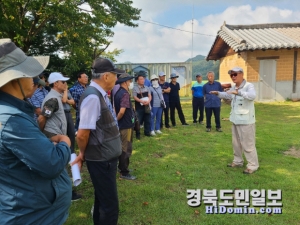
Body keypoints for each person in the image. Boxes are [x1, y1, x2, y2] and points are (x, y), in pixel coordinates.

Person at [0, 38, 72, 224]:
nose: (34, 78)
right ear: (14, 78)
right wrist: (64, 141)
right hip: (32, 215)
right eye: (27, 72)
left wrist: (42, 142)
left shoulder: (12, 112)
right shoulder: (13, 118)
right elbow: (51, 162)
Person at [72, 57, 123, 225]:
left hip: (105, 158)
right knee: (109, 206)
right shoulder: (93, 97)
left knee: (102, 200)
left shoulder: (98, 95)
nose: (117, 79)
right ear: (106, 76)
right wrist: (83, 154)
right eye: (115, 75)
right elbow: (82, 134)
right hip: (101, 160)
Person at [210, 67, 259, 174]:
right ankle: (237, 161)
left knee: (248, 144)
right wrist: (218, 93)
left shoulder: (249, 86)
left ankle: (253, 165)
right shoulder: (233, 87)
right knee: (236, 143)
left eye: (235, 74)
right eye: (231, 75)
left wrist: (239, 92)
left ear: (241, 74)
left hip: (246, 121)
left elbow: (252, 96)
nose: (233, 77)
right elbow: (228, 95)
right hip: (235, 119)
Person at [114, 73, 137, 180]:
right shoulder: (124, 94)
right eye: (129, 81)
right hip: (125, 125)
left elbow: (115, 109)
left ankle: (122, 167)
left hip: (123, 124)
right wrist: (117, 120)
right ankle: (124, 171)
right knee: (126, 148)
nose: (130, 83)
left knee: (123, 146)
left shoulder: (117, 92)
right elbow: (122, 111)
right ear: (124, 82)